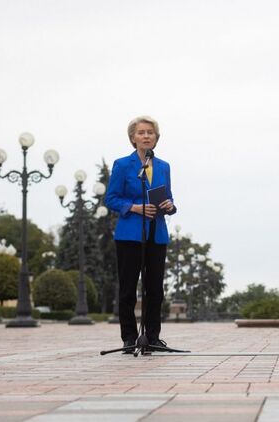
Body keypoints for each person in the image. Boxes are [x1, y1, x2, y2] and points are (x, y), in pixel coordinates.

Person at [106, 115, 176, 351]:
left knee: (155, 289)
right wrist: (135, 207)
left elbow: (168, 197)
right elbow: (111, 199)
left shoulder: (164, 166)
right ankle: (129, 338)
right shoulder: (122, 165)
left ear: (156, 138)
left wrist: (170, 205)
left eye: (150, 132)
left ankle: (152, 338)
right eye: (141, 132)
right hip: (130, 235)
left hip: (157, 233)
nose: (146, 136)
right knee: (128, 289)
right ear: (133, 138)